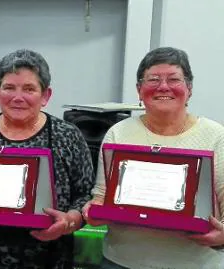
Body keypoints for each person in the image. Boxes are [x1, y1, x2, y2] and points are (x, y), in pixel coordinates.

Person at [0, 49, 95, 269]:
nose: (18, 97)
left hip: (48, 258)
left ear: (46, 96)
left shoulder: (67, 136)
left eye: (29, 89)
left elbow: (85, 195)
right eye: (9, 88)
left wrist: (69, 221)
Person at [82, 47, 224, 268]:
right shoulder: (118, 133)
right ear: (139, 90)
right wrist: (94, 210)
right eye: (153, 79)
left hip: (194, 263)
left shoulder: (216, 135)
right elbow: (101, 195)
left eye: (174, 79)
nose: (163, 87)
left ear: (189, 88)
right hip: (121, 261)